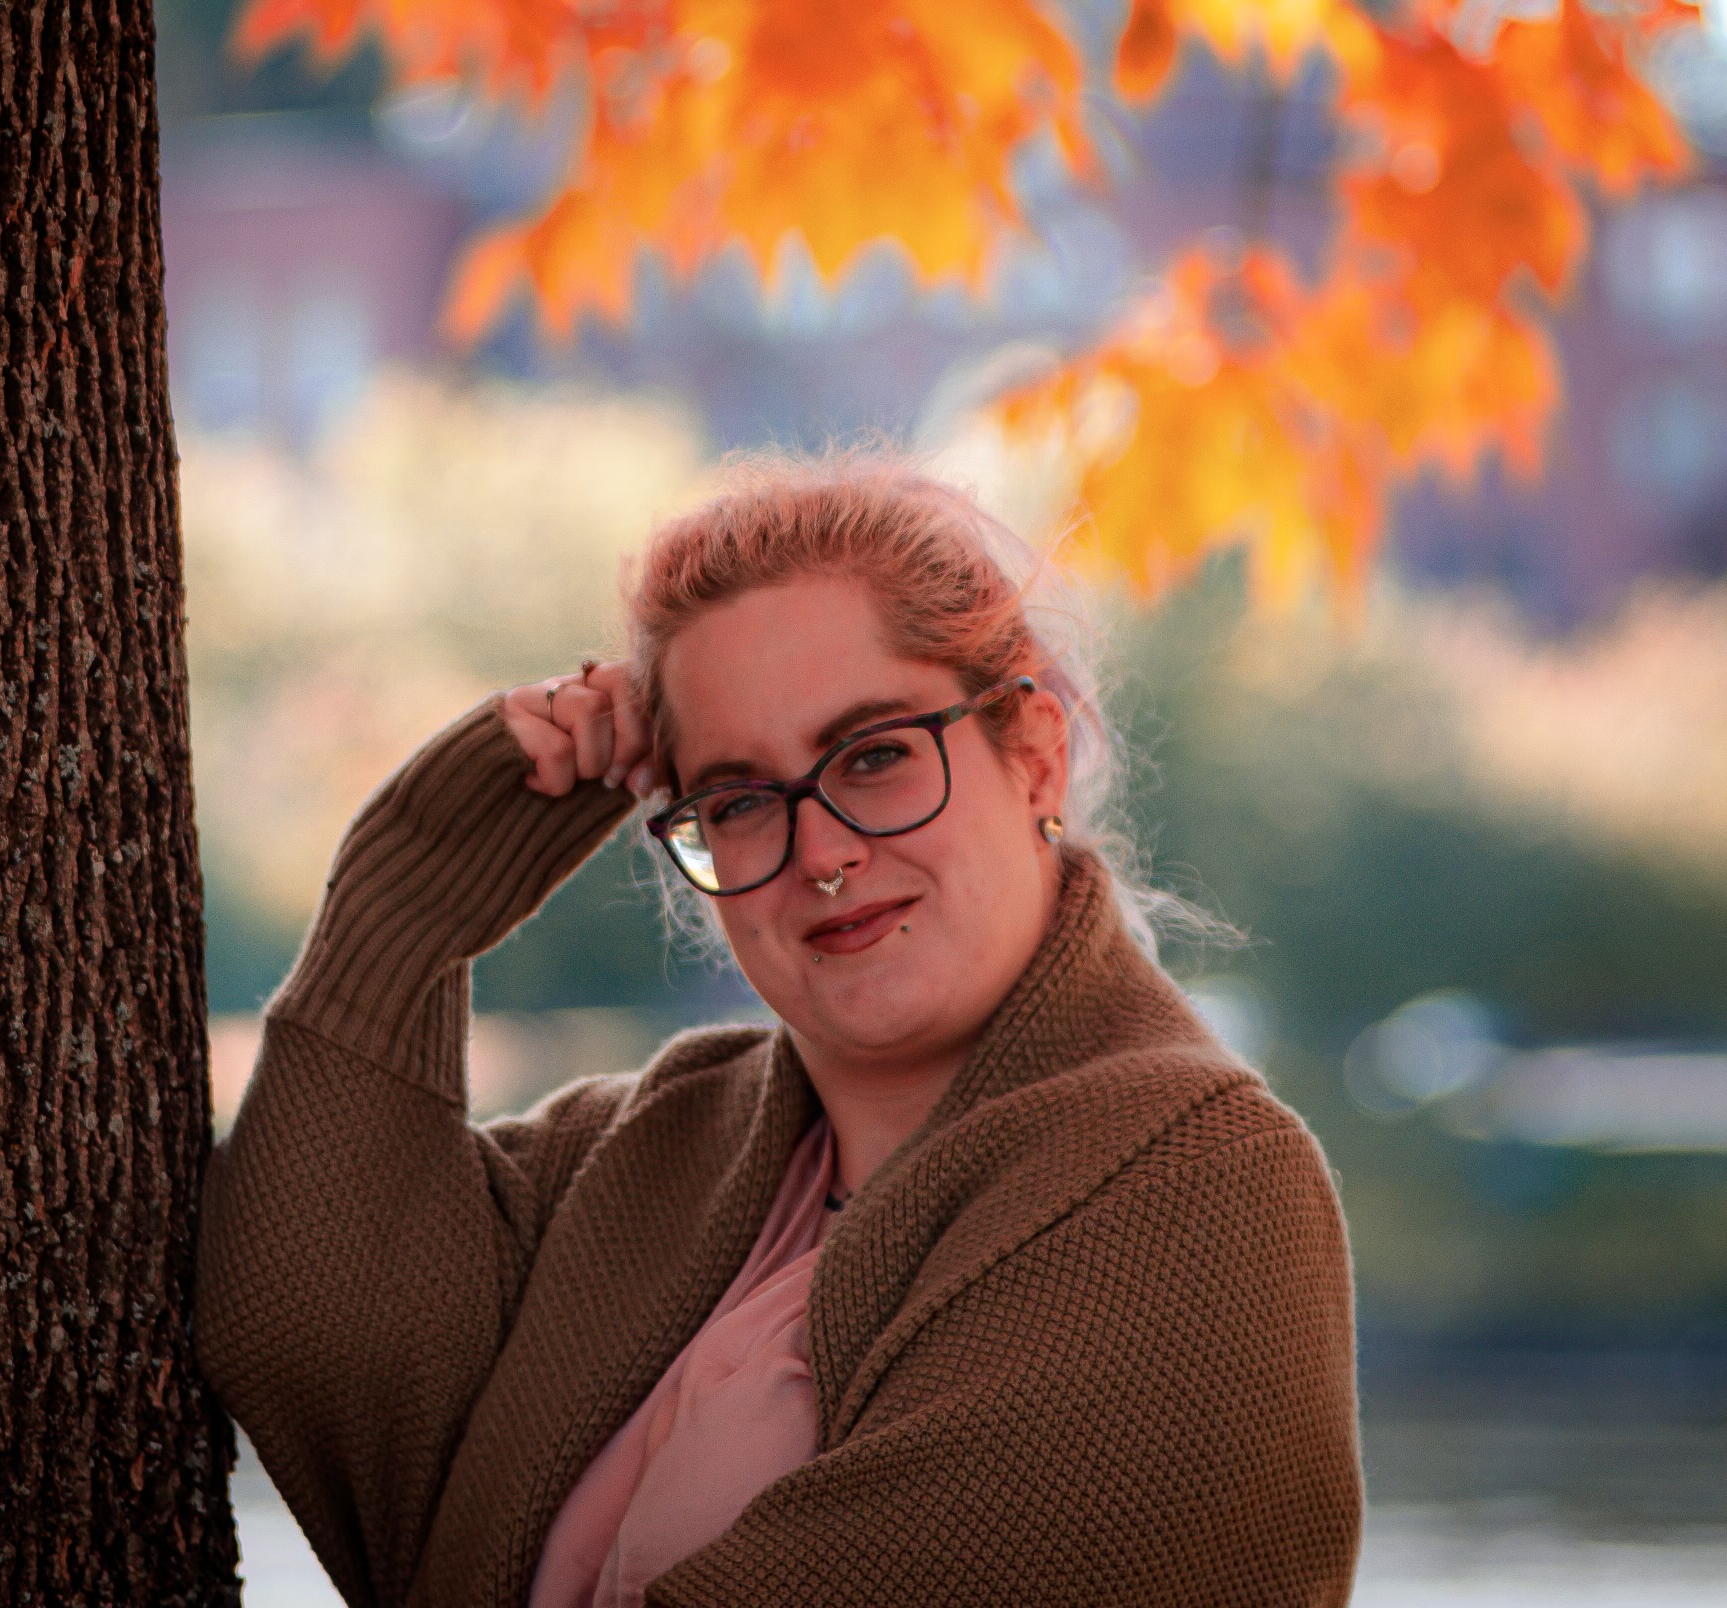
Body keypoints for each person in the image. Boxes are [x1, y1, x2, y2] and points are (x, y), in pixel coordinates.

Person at [194, 456, 1363, 1607]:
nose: (822, 854)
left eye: (876, 756)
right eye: (742, 801)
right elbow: (305, 1339)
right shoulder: (644, 1147)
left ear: (1033, 752)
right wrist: (405, 914)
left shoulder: (1196, 1184)